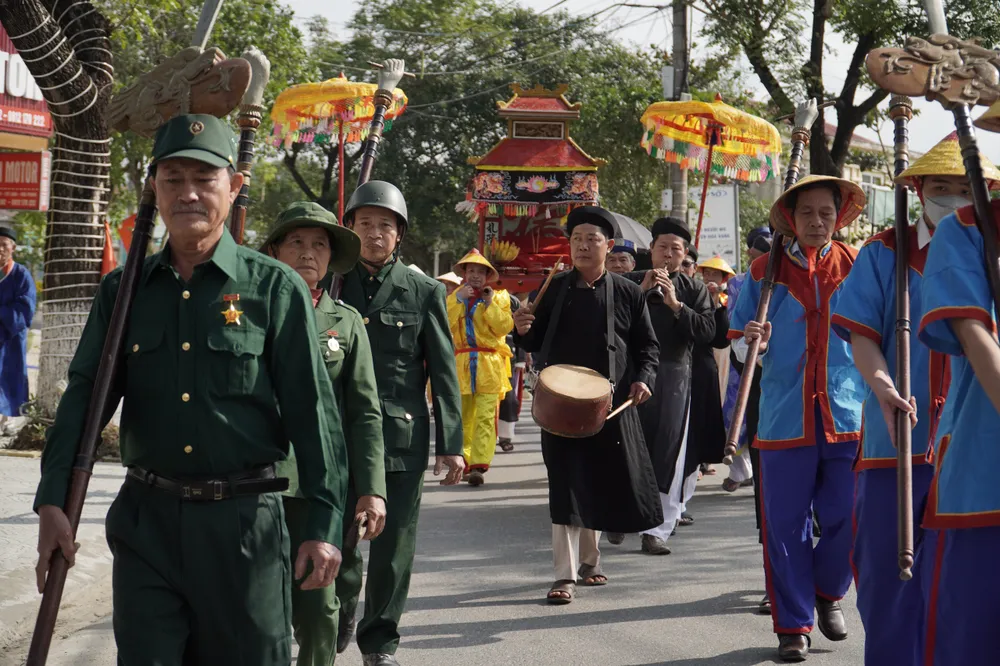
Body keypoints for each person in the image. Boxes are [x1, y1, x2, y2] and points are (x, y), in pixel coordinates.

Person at [33, 114, 348, 665]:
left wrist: (322, 523)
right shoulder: (124, 291)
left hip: (243, 530)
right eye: (173, 178)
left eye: (204, 177)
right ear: (153, 186)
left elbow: (312, 413)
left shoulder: (273, 289)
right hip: (146, 525)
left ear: (235, 184)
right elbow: (85, 398)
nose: (189, 193)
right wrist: (53, 499)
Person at [831, 133, 995, 666]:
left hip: (971, 445)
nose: (953, 197)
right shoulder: (884, 251)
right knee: (889, 578)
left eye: (965, 187)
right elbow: (861, 333)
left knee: (959, 592)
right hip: (896, 440)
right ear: (919, 189)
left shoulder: (989, 250)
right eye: (941, 187)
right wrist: (881, 385)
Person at [729, 175, 866, 662]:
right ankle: (792, 625)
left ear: (838, 215)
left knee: (847, 516)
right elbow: (741, 346)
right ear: (790, 217)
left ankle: (829, 592)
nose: (815, 221)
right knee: (783, 525)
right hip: (785, 416)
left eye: (825, 212)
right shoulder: (763, 271)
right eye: (805, 212)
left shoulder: (856, 265)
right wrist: (753, 340)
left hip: (848, 412)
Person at [339, 180, 464, 666]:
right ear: (348, 229)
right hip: (339, 435)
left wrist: (450, 443)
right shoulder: (329, 283)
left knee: (393, 550)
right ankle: (339, 615)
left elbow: (443, 370)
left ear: (399, 235)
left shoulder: (424, 290)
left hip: (400, 439)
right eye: (364, 224)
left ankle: (380, 643)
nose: (374, 234)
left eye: (384, 226)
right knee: (341, 541)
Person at [513, 205, 661, 604]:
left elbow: (648, 347)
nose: (582, 245)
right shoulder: (554, 288)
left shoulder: (629, 291)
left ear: (608, 245)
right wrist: (521, 330)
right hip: (559, 402)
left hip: (606, 404)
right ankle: (565, 575)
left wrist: (643, 380)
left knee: (595, 479)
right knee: (564, 485)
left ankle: (591, 560)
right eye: (576, 239)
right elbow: (532, 341)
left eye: (591, 239)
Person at [261, 201, 387, 666]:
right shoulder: (241, 310)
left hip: (316, 488)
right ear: (274, 250)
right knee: (252, 607)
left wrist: (372, 491)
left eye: (319, 245)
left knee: (318, 609)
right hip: (248, 482)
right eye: (296, 241)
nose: (308, 253)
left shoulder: (346, 322)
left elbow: (364, 414)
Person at [913, 150, 1000, 665]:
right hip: (980, 464)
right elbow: (974, 336)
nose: (953, 197)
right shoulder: (968, 230)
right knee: (966, 635)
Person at [613, 217, 715, 554]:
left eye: (676, 249)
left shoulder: (693, 289)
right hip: (632, 374)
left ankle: (658, 529)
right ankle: (620, 517)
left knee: (669, 452)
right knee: (626, 446)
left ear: (684, 254)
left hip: (674, 377)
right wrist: (639, 293)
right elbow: (610, 324)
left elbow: (706, 333)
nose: (668, 255)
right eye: (662, 248)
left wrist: (675, 304)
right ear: (651, 251)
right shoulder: (628, 282)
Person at [446, 248, 513, 486]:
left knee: (486, 415)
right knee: (463, 416)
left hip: (490, 364)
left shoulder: (500, 297)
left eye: (480, 272)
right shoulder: (453, 297)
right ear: (464, 273)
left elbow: (504, 327)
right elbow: (444, 324)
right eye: (471, 270)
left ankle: (479, 465)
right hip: (462, 362)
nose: (475, 275)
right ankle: (463, 460)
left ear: (488, 276)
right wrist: (458, 300)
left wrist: (489, 303)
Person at [723, 228, 773, 494]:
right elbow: (739, 341)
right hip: (763, 385)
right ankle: (741, 472)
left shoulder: (848, 263)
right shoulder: (752, 277)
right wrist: (759, 347)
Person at [685, 255, 734, 496]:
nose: (709, 278)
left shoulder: (721, 300)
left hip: (704, 366)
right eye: (706, 273)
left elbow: (720, 338)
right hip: (669, 371)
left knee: (700, 426)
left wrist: (714, 303)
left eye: (714, 275)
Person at [0, 226, 35, 418]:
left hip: (9, 340)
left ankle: (10, 419)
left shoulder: (21, 275)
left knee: (10, 381)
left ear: (12, 248)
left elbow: (25, 310)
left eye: (4, 245)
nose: (0, 249)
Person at [498, 292, 526, 452]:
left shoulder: (511, 300)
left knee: (509, 399)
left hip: (507, 360)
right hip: (478, 358)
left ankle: (505, 436)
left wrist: (521, 359)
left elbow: (520, 332)